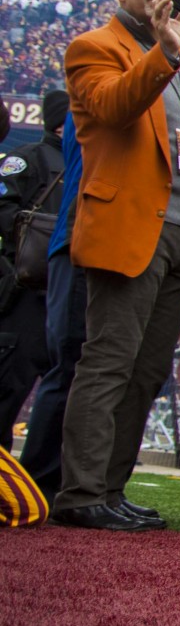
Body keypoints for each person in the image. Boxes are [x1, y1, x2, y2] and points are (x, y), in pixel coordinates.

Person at [52, 0, 180, 531]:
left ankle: (113, 488)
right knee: (110, 363)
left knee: (148, 371)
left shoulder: (176, 54)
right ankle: (81, 493)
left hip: (179, 233)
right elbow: (115, 109)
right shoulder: (94, 47)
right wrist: (165, 52)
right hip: (130, 226)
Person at [0, 90, 67, 435]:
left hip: (65, 293)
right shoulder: (26, 158)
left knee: (62, 398)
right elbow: (3, 208)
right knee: (8, 389)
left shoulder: (89, 164)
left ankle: (40, 483)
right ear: (60, 125)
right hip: (26, 293)